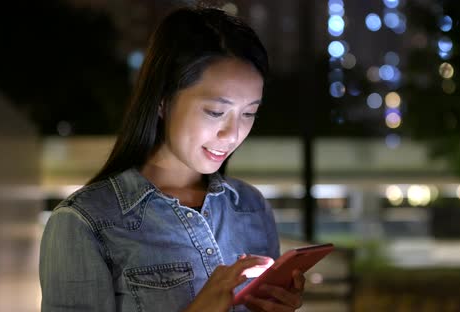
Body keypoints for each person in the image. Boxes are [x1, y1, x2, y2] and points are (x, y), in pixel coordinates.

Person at [39, 6, 305, 312]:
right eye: (215, 112)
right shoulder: (84, 223)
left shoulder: (250, 206)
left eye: (249, 113)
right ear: (163, 100)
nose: (232, 135)